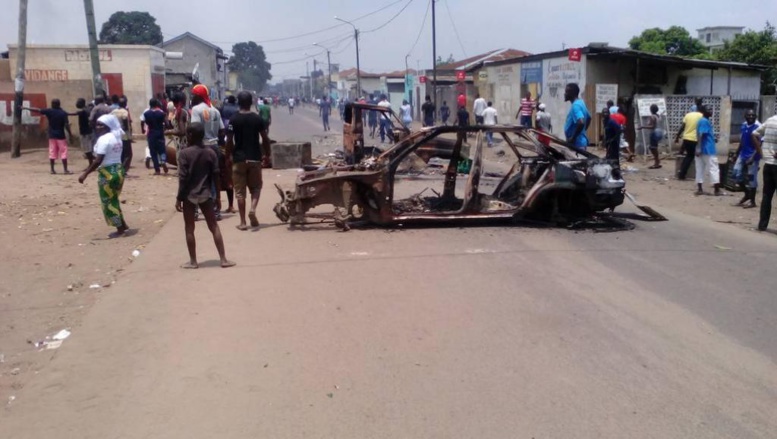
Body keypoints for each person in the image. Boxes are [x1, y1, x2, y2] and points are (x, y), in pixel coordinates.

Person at [176, 122, 235, 269]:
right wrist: (218, 197)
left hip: (189, 195)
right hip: (206, 193)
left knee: (189, 228)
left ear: (189, 135)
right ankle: (223, 259)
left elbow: (182, 178)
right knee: (214, 226)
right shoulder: (210, 153)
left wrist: (179, 198)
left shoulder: (184, 153)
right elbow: (216, 175)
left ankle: (193, 261)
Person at [77, 114, 129, 237]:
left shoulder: (104, 139)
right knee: (114, 199)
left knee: (108, 202)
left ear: (108, 126)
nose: (98, 127)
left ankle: (120, 229)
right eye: (97, 124)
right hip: (118, 170)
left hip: (108, 173)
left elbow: (98, 160)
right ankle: (123, 224)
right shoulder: (117, 137)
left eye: (102, 125)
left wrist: (85, 174)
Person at [227, 91, 270, 231]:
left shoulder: (233, 119)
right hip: (255, 158)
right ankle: (252, 208)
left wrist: (229, 156)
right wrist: (267, 155)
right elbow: (265, 139)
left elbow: (229, 141)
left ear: (238, 103)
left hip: (239, 159)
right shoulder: (257, 119)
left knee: (240, 192)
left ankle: (243, 222)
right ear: (251, 102)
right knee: (256, 187)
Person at [190, 84, 229, 216]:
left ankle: (195, 210)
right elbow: (222, 131)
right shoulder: (215, 110)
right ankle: (214, 210)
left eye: (193, 94)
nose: (191, 97)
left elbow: (195, 129)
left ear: (197, 96)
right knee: (213, 178)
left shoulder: (196, 110)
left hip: (201, 147)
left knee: (197, 178)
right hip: (214, 146)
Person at [24, 99, 73, 174]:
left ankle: (52, 170)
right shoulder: (63, 113)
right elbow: (66, 125)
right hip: (61, 136)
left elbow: (37, 110)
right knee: (63, 152)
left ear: (53, 104)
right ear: (59, 104)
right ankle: (65, 170)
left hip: (52, 136)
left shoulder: (49, 111)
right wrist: (70, 134)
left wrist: (25, 108)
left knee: (52, 152)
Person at [752, 112, 777, 230]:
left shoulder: (771, 120)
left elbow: (754, 134)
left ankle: (762, 225)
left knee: (767, 195)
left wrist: (761, 152)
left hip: (768, 163)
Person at [733, 110, 761, 208]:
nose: (751, 116)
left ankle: (752, 201)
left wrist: (752, 158)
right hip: (742, 154)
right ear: (745, 116)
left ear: (755, 116)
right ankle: (747, 194)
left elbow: (759, 144)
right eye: (749, 115)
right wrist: (736, 153)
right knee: (735, 174)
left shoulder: (758, 128)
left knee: (751, 178)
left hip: (752, 157)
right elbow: (742, 141)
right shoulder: (744, 126)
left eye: (753, 115)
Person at [694, 106, 721, 196]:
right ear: (703, 112)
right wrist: (699, 147)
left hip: (702, 148)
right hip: (708, 149)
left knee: (700, 168)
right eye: (708, 110)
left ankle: (700, 188)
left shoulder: (702, 121)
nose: (710, 111)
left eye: (711, 109)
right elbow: (701, 134)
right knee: (714, 169)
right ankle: (717, 189)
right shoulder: (704, 121)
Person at [674, 106, 704, 180]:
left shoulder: (687, 115)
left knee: (689, 156)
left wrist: (677, 136)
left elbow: (682, 127)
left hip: (686, 138)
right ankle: (690, 174)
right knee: (693, 156)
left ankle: (682, 173)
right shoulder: (701, 116)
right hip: (695, 139)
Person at [143, 99, 168, 174]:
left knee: (153, 152)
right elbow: (166, 123)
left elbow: (146, 123)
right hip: (160, 133)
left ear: (150, 104)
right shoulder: (161, 113)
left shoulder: (146, 114)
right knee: (162, 149)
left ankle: (157, 169)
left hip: (151, 134)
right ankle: (163, 161)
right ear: (157, 104)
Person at [563, 83, 591, 150]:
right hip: (580, 143)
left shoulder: (575, 106)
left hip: (577, 145)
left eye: (566, 92)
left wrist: (573, 138)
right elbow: (589, 117)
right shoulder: (581, 102)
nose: (565, 94)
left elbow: (581, 122)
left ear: (572, 93)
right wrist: (583, 131)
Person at [637, 104, 664, 169]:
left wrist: (642, 127)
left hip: (654, 133)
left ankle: (656, 162)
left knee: (652, 148)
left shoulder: (652, 117)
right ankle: (657, 161)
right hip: (659, 132)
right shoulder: (658, 116)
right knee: (654, 147)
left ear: (651, 109)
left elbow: (652, 126)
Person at [111, 96, 133, 172]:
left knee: (120, 153)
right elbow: (125, 124)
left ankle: (119, 169)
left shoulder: (113, 112)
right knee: (128, 154)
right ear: (125, 104)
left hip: (116, 135)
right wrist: (128, 132)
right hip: (124, 135)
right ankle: (122, 170)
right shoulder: (125, 112)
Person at [74, 98, 94, 166]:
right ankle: (91, 163)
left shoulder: (83, 111)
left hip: (85, 133)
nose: (76, 104)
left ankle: (91, 164)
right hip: (89, 131)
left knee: (87, 149)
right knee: (89, 149)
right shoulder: (87, 109)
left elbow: (73, 113)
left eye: (78, 102)